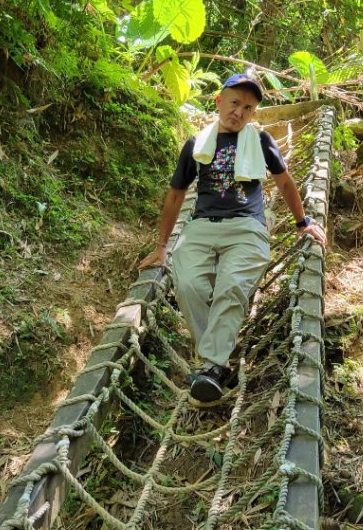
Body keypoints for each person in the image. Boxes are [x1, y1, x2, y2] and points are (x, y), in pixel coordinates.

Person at [139, 71, 326, 407]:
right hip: (200, 227)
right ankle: (215, 360)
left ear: (254, 113)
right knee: (189, 284)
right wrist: (162, 246)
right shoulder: (196, 145)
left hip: (246, 227)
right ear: (219, 101)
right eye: (235, 103)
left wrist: (302, 222)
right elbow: (175, 196)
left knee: (230, 286)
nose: (239, 112)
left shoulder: (261, 140)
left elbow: (284, 182)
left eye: (249, 108)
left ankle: (211, 367)